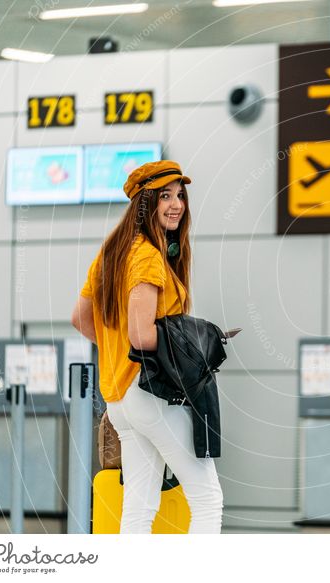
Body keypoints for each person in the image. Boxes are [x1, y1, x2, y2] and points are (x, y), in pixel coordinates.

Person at [71, 160, 224, 534]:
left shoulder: (110, 254)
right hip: (151, 393)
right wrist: (196, 346)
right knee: (207, 498)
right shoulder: (146, 256)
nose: (176, 205)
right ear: (145, 203)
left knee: (140, 504)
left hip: (122, 400)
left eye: (180, 196)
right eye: (164, 197)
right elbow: (141, 335)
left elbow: (80, 318)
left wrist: (116, 351)